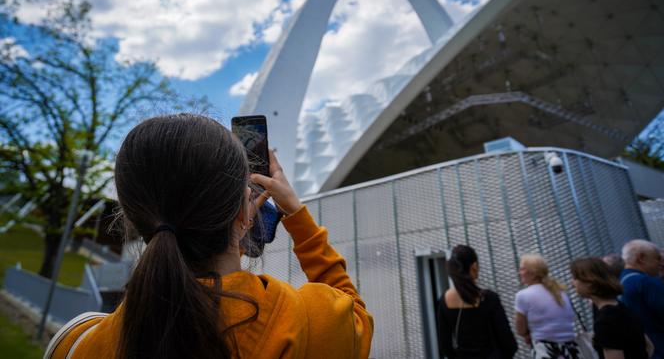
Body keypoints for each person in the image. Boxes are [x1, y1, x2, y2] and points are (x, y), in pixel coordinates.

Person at [45, 114, 374, 359]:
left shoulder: (79, 343)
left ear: (136, 215)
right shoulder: (303, 321)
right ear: (244, 215)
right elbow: (357, 316)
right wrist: (296, 215)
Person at [437, 245, 517, 358]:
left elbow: (445, 347)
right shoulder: (489, 298)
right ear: (474, 267)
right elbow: (509, 344)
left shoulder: (444, 301)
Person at [571, 257, 648, 359]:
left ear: (590, 282)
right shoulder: (621, 307)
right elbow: (649, 346)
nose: (572, 283)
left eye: (575, 278)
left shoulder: (605, 321)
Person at [515, 254, 579, 358]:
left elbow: (520, 329)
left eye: (522, 269)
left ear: (533, 273)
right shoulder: (560, 292)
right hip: (570, 350)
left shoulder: (523, 295)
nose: (519, 272)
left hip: (546, 351)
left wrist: (527, 335)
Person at [620, 239, 664, 359]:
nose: (661, 264)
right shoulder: (646, 283)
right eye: (657, 258)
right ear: (641, 258)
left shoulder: (620, 283)